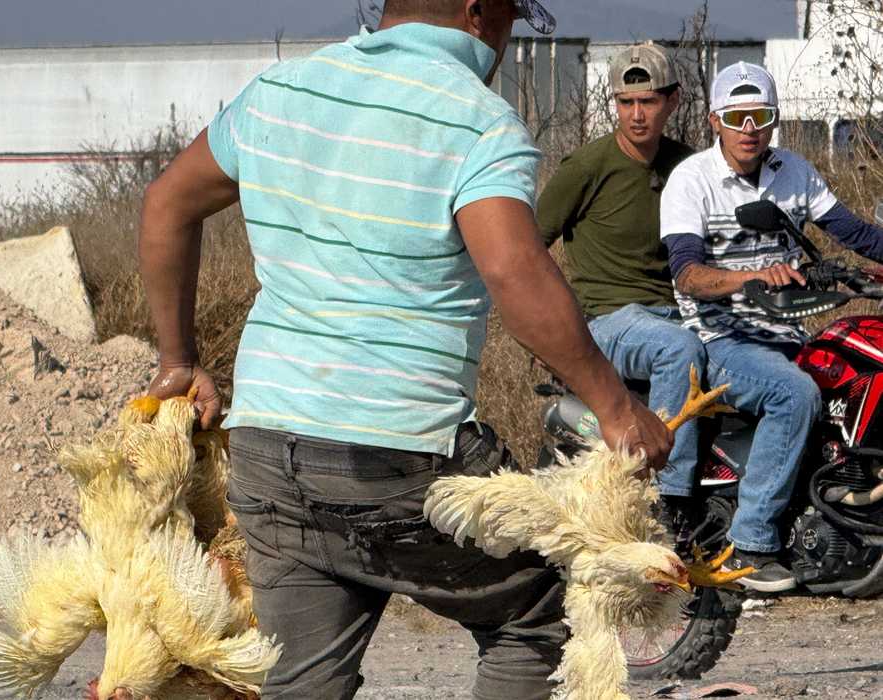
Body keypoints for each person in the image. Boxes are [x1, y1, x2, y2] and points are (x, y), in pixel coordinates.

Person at [141, 1, 672, 697]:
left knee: (301, 680)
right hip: (396, 450)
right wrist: (614, 405)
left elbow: (165, 204)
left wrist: (178, 362)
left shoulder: (280, 91)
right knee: (547, 611)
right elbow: (514, 271)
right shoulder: (474, 119)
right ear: (480, 13)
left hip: (269, 447)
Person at [661, 61, 883, 592]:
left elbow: (854, 232)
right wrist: (752, 275)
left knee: (855, 373)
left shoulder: (793, 172)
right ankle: (753, 543)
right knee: (795, 395)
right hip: (722, 337)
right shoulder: (692, 180)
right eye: (736, 117)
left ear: (774, 119)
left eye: (759, 116)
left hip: (788, 334)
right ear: (715, 120)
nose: (748, 129)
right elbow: (687, 274)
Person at [537, 43, 703, 531]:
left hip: (673, 311)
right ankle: (670, 500)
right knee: (680, 351)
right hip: (609, 320)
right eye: (625, 102)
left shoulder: (687, 167)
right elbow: (528, 248)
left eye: (648, 101)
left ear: (672, 101)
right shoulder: (587, 166)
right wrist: (561, 328)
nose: (636, 114)